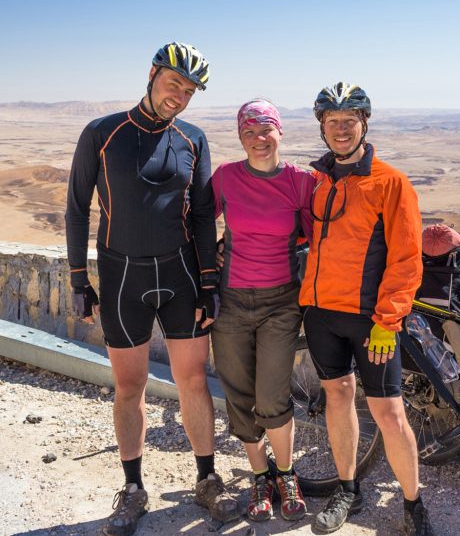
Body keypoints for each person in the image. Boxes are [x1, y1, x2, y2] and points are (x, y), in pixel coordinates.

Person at [64, 42, 239, 536]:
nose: (179, 96)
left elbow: (204, 215)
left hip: (181, 277)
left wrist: (208, 283)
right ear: (151, 74)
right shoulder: (102, 133)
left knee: (193, 381)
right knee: (129, 387)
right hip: (122, 278)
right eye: (173, 84)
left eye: (188, 91)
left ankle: (207, 480)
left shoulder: (194, 139)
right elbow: (78, 208)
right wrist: (80, 277)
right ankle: (134, 489)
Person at [300, 82, 434, 535]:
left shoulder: (390, 182)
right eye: (332, 121)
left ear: (364, 124)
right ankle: (347, 488)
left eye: (349, 121)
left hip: (370, 320)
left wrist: (388, 321)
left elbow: (406, 259)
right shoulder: (316, 180)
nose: (340, 129)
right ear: (322, 127)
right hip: (319, 314)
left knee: (389, 413)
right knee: (337, 398)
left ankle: (414, 504)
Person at [209, 99, 315, 522]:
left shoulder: (299, 182)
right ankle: (259, 476)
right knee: (238, 394)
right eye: (249, 131)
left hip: (280, 304)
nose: (258, 138)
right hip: (231, 301)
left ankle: (285, 474)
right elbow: (195, 223)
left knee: (272, 395)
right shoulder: (225, 178)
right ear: (240, 136)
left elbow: (315, 234)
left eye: (265, 129)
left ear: (280, 132)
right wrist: (211, 254)